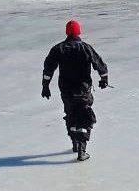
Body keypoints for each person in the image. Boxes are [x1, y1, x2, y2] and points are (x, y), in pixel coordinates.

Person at [42, 20, 109, 161]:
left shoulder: (58, 49)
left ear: (67, 32)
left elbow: (48, 68)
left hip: (66, 92)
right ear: (79, 32)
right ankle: (82, 151)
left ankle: (75, 143)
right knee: (85, 117)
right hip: (83, 91)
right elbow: (100, 64)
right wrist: (104, 79)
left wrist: (45, 86)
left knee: (71, 114)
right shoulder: (86, 48)